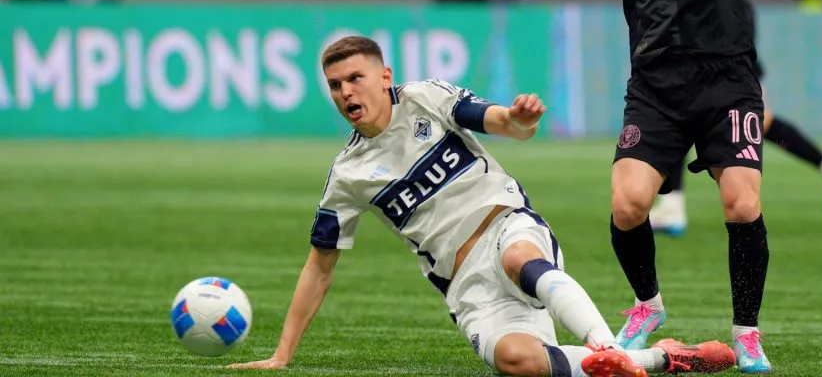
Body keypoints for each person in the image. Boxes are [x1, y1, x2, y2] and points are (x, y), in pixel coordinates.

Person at [514, 0, 822, 372]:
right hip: (655, 85)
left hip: (727, 80)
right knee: (629, 204)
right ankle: (647, 306)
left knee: (741, 204)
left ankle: (747, 335)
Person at [226, 35, 736, 377]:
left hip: (505, 224)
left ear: (384, 76)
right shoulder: (347, 177)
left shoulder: (425, 98)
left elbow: (498, 121)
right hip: (465, 287)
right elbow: (319, 266)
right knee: (517, 362)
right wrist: (281, 355)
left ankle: (609, 350)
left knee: (520, 259)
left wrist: (517, 118)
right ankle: (658, 358)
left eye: (355, 78)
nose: (345, 92)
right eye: (336, 85)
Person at [650, 0, 822, 238]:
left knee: (704, 123)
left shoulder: (729, 1)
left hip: (735, 79)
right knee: (752, 125)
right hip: (728, 78)